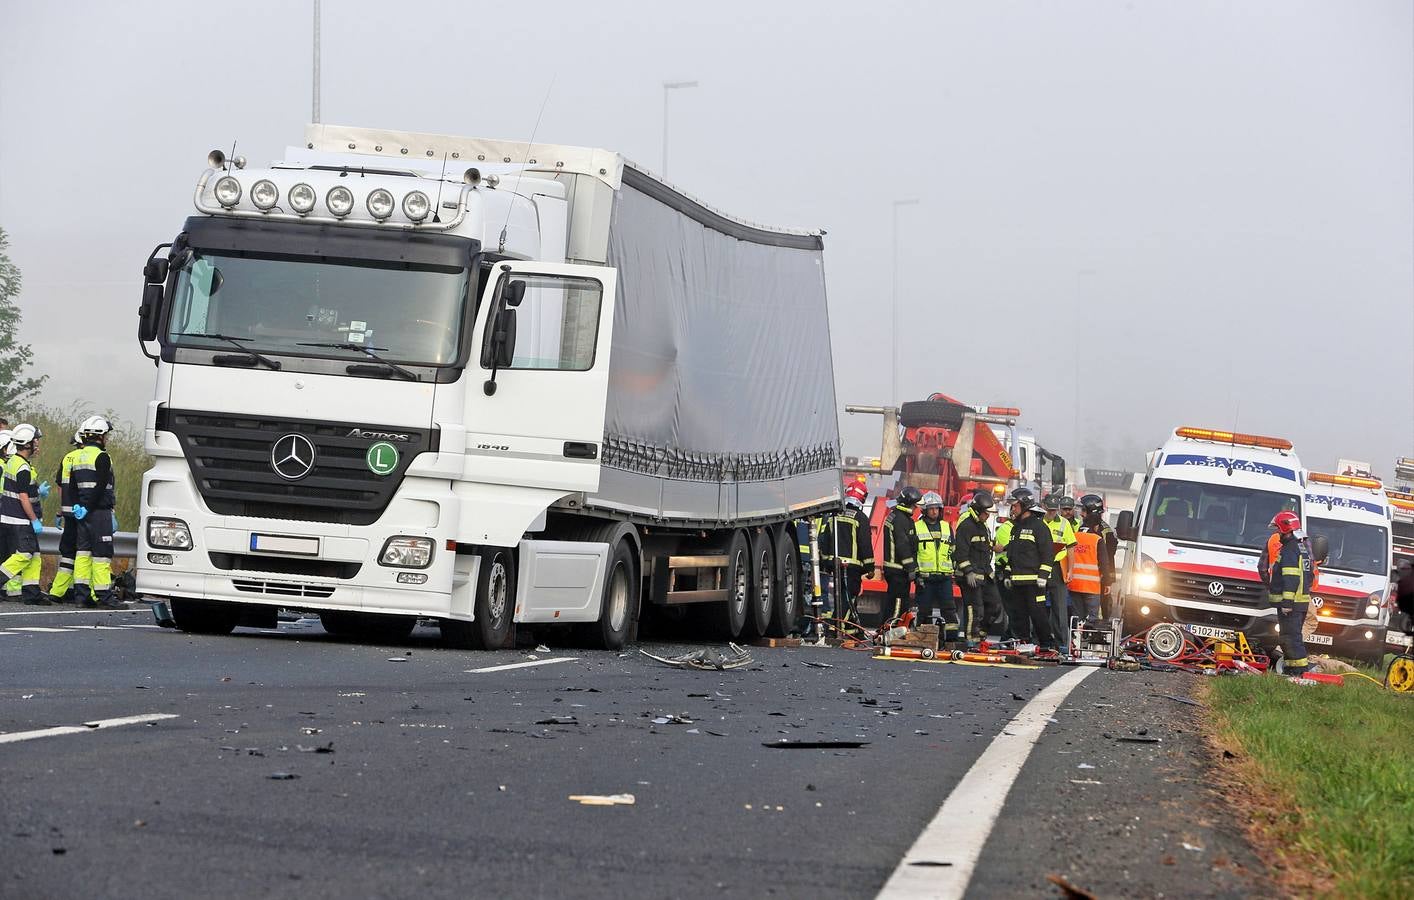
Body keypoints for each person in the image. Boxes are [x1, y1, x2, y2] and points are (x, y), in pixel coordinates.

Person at [71, 416, 124, 609]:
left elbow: (73, 486)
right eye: (106, 435)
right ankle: (104, 596)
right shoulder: (102, 457)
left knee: (83, 554)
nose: (107, 439)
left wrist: (79, 506)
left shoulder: (78, 456)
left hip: (83, 513)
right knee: (102, 554)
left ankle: (81, 596)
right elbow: (101, 485)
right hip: (98, 512)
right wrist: (92, 507)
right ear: (100, 436)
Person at [1005, 489, 1059, 655]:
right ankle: (1023, 643)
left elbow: (1048, 554)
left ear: (1024, 505)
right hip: (1017, 582)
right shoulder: (1015, 528)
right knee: (1018, 615)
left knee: (1038, 614)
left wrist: (1043, 576)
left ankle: (1047, 644)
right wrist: (1008, 574)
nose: (1012, 509)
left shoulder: (1039, 527)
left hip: (1035, 582)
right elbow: (1011, 555)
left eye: (1015, 506)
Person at [0, 424, 48, 605]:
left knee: (34, 556)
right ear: (27, 444)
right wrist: (34, 519)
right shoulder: (22, 468)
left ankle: (32, 593)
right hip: (21, 519)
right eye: (35, 440)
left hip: (9, 517)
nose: (37, 444)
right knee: (25, 554)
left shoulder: (12, 462)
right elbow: (23, 496)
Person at [817, 480, 874, 628]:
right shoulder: (860, 518)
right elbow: (864, 544)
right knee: (849, 597)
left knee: (839, 596)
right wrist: (870, 567)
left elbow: (824, 540)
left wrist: (825, 562)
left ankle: (841, 626)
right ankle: (841, 627)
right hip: (852, 568)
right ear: (862, 498)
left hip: (834, 565)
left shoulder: (833, 516)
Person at [1265, 510, 1313, 676]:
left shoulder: (1290, 549)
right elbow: (1310, 575)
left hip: (1291, 605)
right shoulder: (1301, 547)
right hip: (1299, 602)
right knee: (1291, 638)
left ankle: (1299, 672)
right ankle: (1293, 670)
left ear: (1286, 529)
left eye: (1278, 530)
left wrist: (1287, 603)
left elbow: (1291, 578)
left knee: (1291, 639)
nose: (1277, 534)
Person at [46, 431, 90, 606]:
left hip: (69, 512)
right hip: (88, 513)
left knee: (68, 553)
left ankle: (57, 591)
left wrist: (61, 510)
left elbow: (61, 487)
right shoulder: (93, 457)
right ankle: (88, 594)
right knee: (87, 553)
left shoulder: (67, 458)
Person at [952, 491, 1001, 645]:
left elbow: (982, 546)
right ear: (979, 511)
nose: (988, 516)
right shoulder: (966, 525)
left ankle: (981, 633)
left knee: (994, 604)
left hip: (984, 573)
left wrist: (994, 547)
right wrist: (968, 572)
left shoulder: (982, 526)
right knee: (974, 608)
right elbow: (961, 552)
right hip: (971, 576)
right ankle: (971, 639)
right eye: (986, 513)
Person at [912, 491, 956, 638]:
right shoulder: (917, 527)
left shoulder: (946, 527)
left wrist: (954, 569)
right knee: (923, 610)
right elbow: (913, 553)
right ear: (924, 510)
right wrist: (916, 574)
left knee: (949, 609)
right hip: (925, 578)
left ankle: (951, 639)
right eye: (931, 508)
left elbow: (953, 549)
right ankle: (921, 639)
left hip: (944, 577)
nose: (934, 511)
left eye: (937, 508)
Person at [874, 485, 920, 624]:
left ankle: (888, 629)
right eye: (914, 505)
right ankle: (891, 629)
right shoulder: (901, 520)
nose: (915, 508)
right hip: (898, 570)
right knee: (897, 604)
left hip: (895, 570)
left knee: (893, 602)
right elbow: (903, 546)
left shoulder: (895, 515)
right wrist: (911, 568)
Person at [1043, 495, 1078, 653]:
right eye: (1049, 510)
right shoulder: (1038, 521)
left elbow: (1070, 548)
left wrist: (1071, 570)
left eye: (1054, 510)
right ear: (1044, 507)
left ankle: (1061, 643)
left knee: (1059, 608)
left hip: (1057, 568)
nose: (1051, 513)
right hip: (1039, 567)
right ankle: (1040, 640)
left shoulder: (1064, 524)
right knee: (1038, 606)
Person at [1078, 494, 1117, 616]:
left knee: (1100, 610)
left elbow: (1107, 558)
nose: (1081, 514)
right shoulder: (1084, 529)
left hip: (1100, 579)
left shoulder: (1106, 533)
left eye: (1084, 510)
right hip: (1085, 580)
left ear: (1092, 512)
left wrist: (1106, 580)